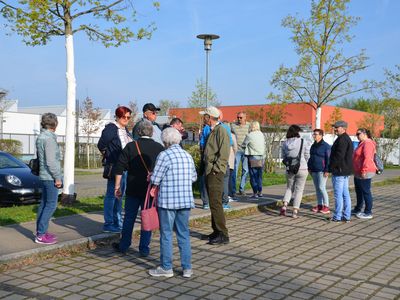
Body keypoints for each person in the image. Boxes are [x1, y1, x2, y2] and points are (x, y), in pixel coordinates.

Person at [148, 127, 197, 278]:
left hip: (168, 201)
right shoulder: (187, 155)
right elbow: (194, 177)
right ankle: (187, 268)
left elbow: (156, 179)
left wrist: (151, 177)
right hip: (185, 200)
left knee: (167, 234)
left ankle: (166, 267)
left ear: (165, 141)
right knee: (183, 234)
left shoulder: (164, 155)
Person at [112, 120, 164, 255]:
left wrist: (117, 187)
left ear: (138, 131)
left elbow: (119, 168)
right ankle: (144, 248)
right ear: (151, 132)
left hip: (133, 188)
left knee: (129, 217)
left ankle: (124, 245)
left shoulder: (131, 146)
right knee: (147, 218)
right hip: (150, 190)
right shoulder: (159, 147)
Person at [97, 106, 133, 233]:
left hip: (124, 167)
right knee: (112, 195)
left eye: (128, 117)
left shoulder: (125, 129)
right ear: (118, 116)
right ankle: (108, 223)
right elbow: (101, 144)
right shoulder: (111, 129)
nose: (126, 119)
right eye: (124, 117)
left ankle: (117, 221)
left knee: (119, 196)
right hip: (115, 166)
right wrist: (108, 154)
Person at [200, 106, 230, 245]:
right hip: (210, 170)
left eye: (205, 116)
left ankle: (223, 234)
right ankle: (216, 230)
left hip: (215, 172)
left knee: (216, 203)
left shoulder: (221, 130)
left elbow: (224, 153)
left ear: (210, 117)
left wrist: (215, 169)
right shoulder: (213, 130)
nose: (203, 118)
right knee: (213, 202)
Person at [35, 113, 62, 245]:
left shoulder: (41, 137)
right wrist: (57, 177)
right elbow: (51, 161)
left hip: (43, 175)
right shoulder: (49, 139)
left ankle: (41, 232)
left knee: (44, 204)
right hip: (50, 176)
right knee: (51, 205)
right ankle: (40, 234)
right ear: (55, 124)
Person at [280, 125, 310, 218]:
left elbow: (283, 157)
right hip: (302, 168)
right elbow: (307, 155)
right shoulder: (302, 141)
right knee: (299, 190)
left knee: (289, 188)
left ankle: (284, 206)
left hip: (290, 169)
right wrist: (307, 164)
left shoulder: (284, 143)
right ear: (297, 132)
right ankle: (295, 211)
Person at [328, 120, 353, 223]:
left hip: (339, 170)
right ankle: (346, 216)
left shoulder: (342, 139)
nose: (335, 129)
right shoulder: (345, 138)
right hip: (344, 170)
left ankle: (337, 216)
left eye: (336, 127)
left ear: (343, 128)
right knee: (345, 194)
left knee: (338, 194)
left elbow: (339, 156)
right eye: (334, 127)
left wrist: (331, 167)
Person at [352, 128, 377, 219]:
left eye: (358, 134)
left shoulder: (368, 143)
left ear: (365, 133)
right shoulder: (362, 143)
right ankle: (358, 208)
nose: (357, 136)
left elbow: (368, 158)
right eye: (356, 134)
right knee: (359, 192)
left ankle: (368, 212)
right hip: (358, 171)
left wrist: (364, 170)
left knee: (366, 192)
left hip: (365, 171)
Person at [308, 129, 331, 214]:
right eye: (313, 134)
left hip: (322, 170)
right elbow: (311, 157)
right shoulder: (313, 145)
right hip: (314, 170)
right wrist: (309, 167)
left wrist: (327, 170)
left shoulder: (326, 146)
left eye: (316, 134)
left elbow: (328, 159)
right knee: (317, 188)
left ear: (321, 135)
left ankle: (326, 206)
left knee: (322, 187)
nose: (314, 136)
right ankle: (319, 205)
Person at [242, 121, 266, 198]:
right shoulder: (261, 134)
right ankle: (260, 192)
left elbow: (243, 144)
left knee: (253, 176)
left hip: (253, 156)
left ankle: (255, 193)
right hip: (261, 157)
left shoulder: (250, 135)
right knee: (259, 176)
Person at [230, 111, 250, 196]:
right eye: (238, 117)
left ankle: (242, 188)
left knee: (245, 170)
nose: (239, 119)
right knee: (235, 170)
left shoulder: (249, 126)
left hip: (246, 151)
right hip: (237, 151)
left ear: (245, 118)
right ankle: (233, 190)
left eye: (241, 118)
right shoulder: (233, 125)